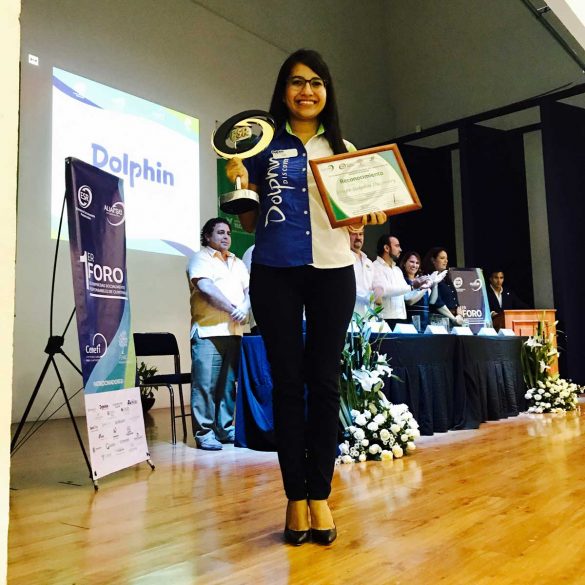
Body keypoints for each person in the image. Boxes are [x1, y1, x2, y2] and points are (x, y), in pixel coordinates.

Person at [226, 49, 386, 546]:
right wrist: (239, 184)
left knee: (325, 384)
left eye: (316, 82)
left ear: (327, 91)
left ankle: (320, 493)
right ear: (283, 90)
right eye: (297, 82)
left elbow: (356, 216)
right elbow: (248, 221)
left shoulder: (344, 149)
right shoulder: (261, 147)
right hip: (274, 272)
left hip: (333, 272)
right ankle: (294, 495)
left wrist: (371, 213)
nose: (307, 91)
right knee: (287, 386)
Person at [187, 218, 250, 451]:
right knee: (205, 385)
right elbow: (206, 288)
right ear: (207, 236)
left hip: (234, 332)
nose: (226, 237)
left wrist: (245, 307)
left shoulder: (237, 262)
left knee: (228, 386)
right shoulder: (200, 258)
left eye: (228, 233)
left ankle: (224, 429)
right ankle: (204, 433)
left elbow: (250, 290)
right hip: (208, 332)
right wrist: (234, 309)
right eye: (220, 232)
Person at [372, 235, 430, 329]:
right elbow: (384, 290)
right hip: (385, 319)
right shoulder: (375, 266)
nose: (400, 249)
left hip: (402, 318)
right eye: (397, 246)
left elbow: (406, 296)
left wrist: (422, 286)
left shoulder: (397, 270)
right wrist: (412, 287)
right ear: (386, 248)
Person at [421, 246, 463, 327]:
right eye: (442, 258)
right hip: (440, 320)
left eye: (446, 258)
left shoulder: (446, 277)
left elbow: (455, 300)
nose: (446, 261)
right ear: (433, 260)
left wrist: (459, 315)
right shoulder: (429, 278)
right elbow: (437, 302)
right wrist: (453, 318)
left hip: (454, 319)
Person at [400, 251, 432, 332]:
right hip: (409, 324)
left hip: (425, 324)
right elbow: (409, 301)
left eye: (417, 263)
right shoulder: (402, 280)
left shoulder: (423, 280)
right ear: (404, 263)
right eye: (411, 262)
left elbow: (433, 301)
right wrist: (424, 287)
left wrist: (434, 284)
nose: (414, 265)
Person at [349, 226, 377, 318]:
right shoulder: (345, 260)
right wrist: (369, 297)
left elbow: (375, 285)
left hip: (368, 314)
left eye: (361, 234)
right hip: (351, 314)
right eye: (354, 234)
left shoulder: (369, 262)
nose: (358, 237)